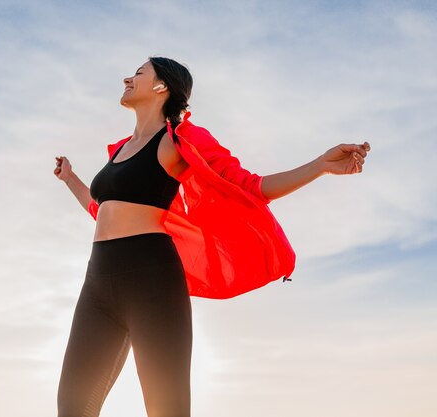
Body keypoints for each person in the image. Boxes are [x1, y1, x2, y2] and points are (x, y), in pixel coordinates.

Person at [54, 56, 370, 416]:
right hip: (98, 283)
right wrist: (70, 179)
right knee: (73, 406)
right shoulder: (121, 150)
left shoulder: (178, 140)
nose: (128, 77)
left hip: (152, 282)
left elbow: (251, 187)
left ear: (162, 87)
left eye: (139, 73)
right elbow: (102, 210)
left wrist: (319, 166)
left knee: (167, 409)